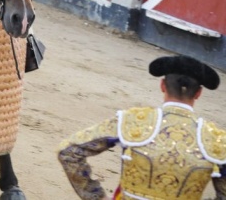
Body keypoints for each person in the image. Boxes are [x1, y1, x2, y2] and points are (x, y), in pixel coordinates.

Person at [57, 55, 226, 200]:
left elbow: (69, 151)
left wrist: (95, 195)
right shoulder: (216, 139)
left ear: (162, 85)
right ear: (198, 93)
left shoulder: (135, 121)